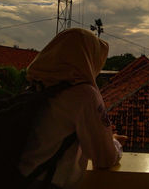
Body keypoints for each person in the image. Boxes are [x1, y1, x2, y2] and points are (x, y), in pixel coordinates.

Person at [18, 28, 127, 188]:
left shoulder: (38, 85)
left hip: (21, 177)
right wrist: (115, 144)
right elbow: (104, 158)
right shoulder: (83, 94)